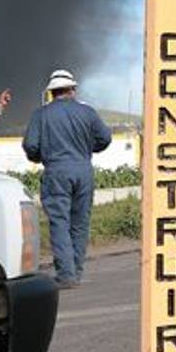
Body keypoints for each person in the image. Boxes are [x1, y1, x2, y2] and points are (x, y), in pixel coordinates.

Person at [23, 70, 112, 289]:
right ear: (72, 89)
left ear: (52, 93)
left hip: (56, 171)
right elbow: (105, 138)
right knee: (80, 222)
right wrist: (85, 149)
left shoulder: (40, 115)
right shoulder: (87, 112)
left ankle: (66, 275)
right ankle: (76, 271)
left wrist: (44, 156)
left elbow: (31, 146)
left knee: (60, 222)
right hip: (83, 170)